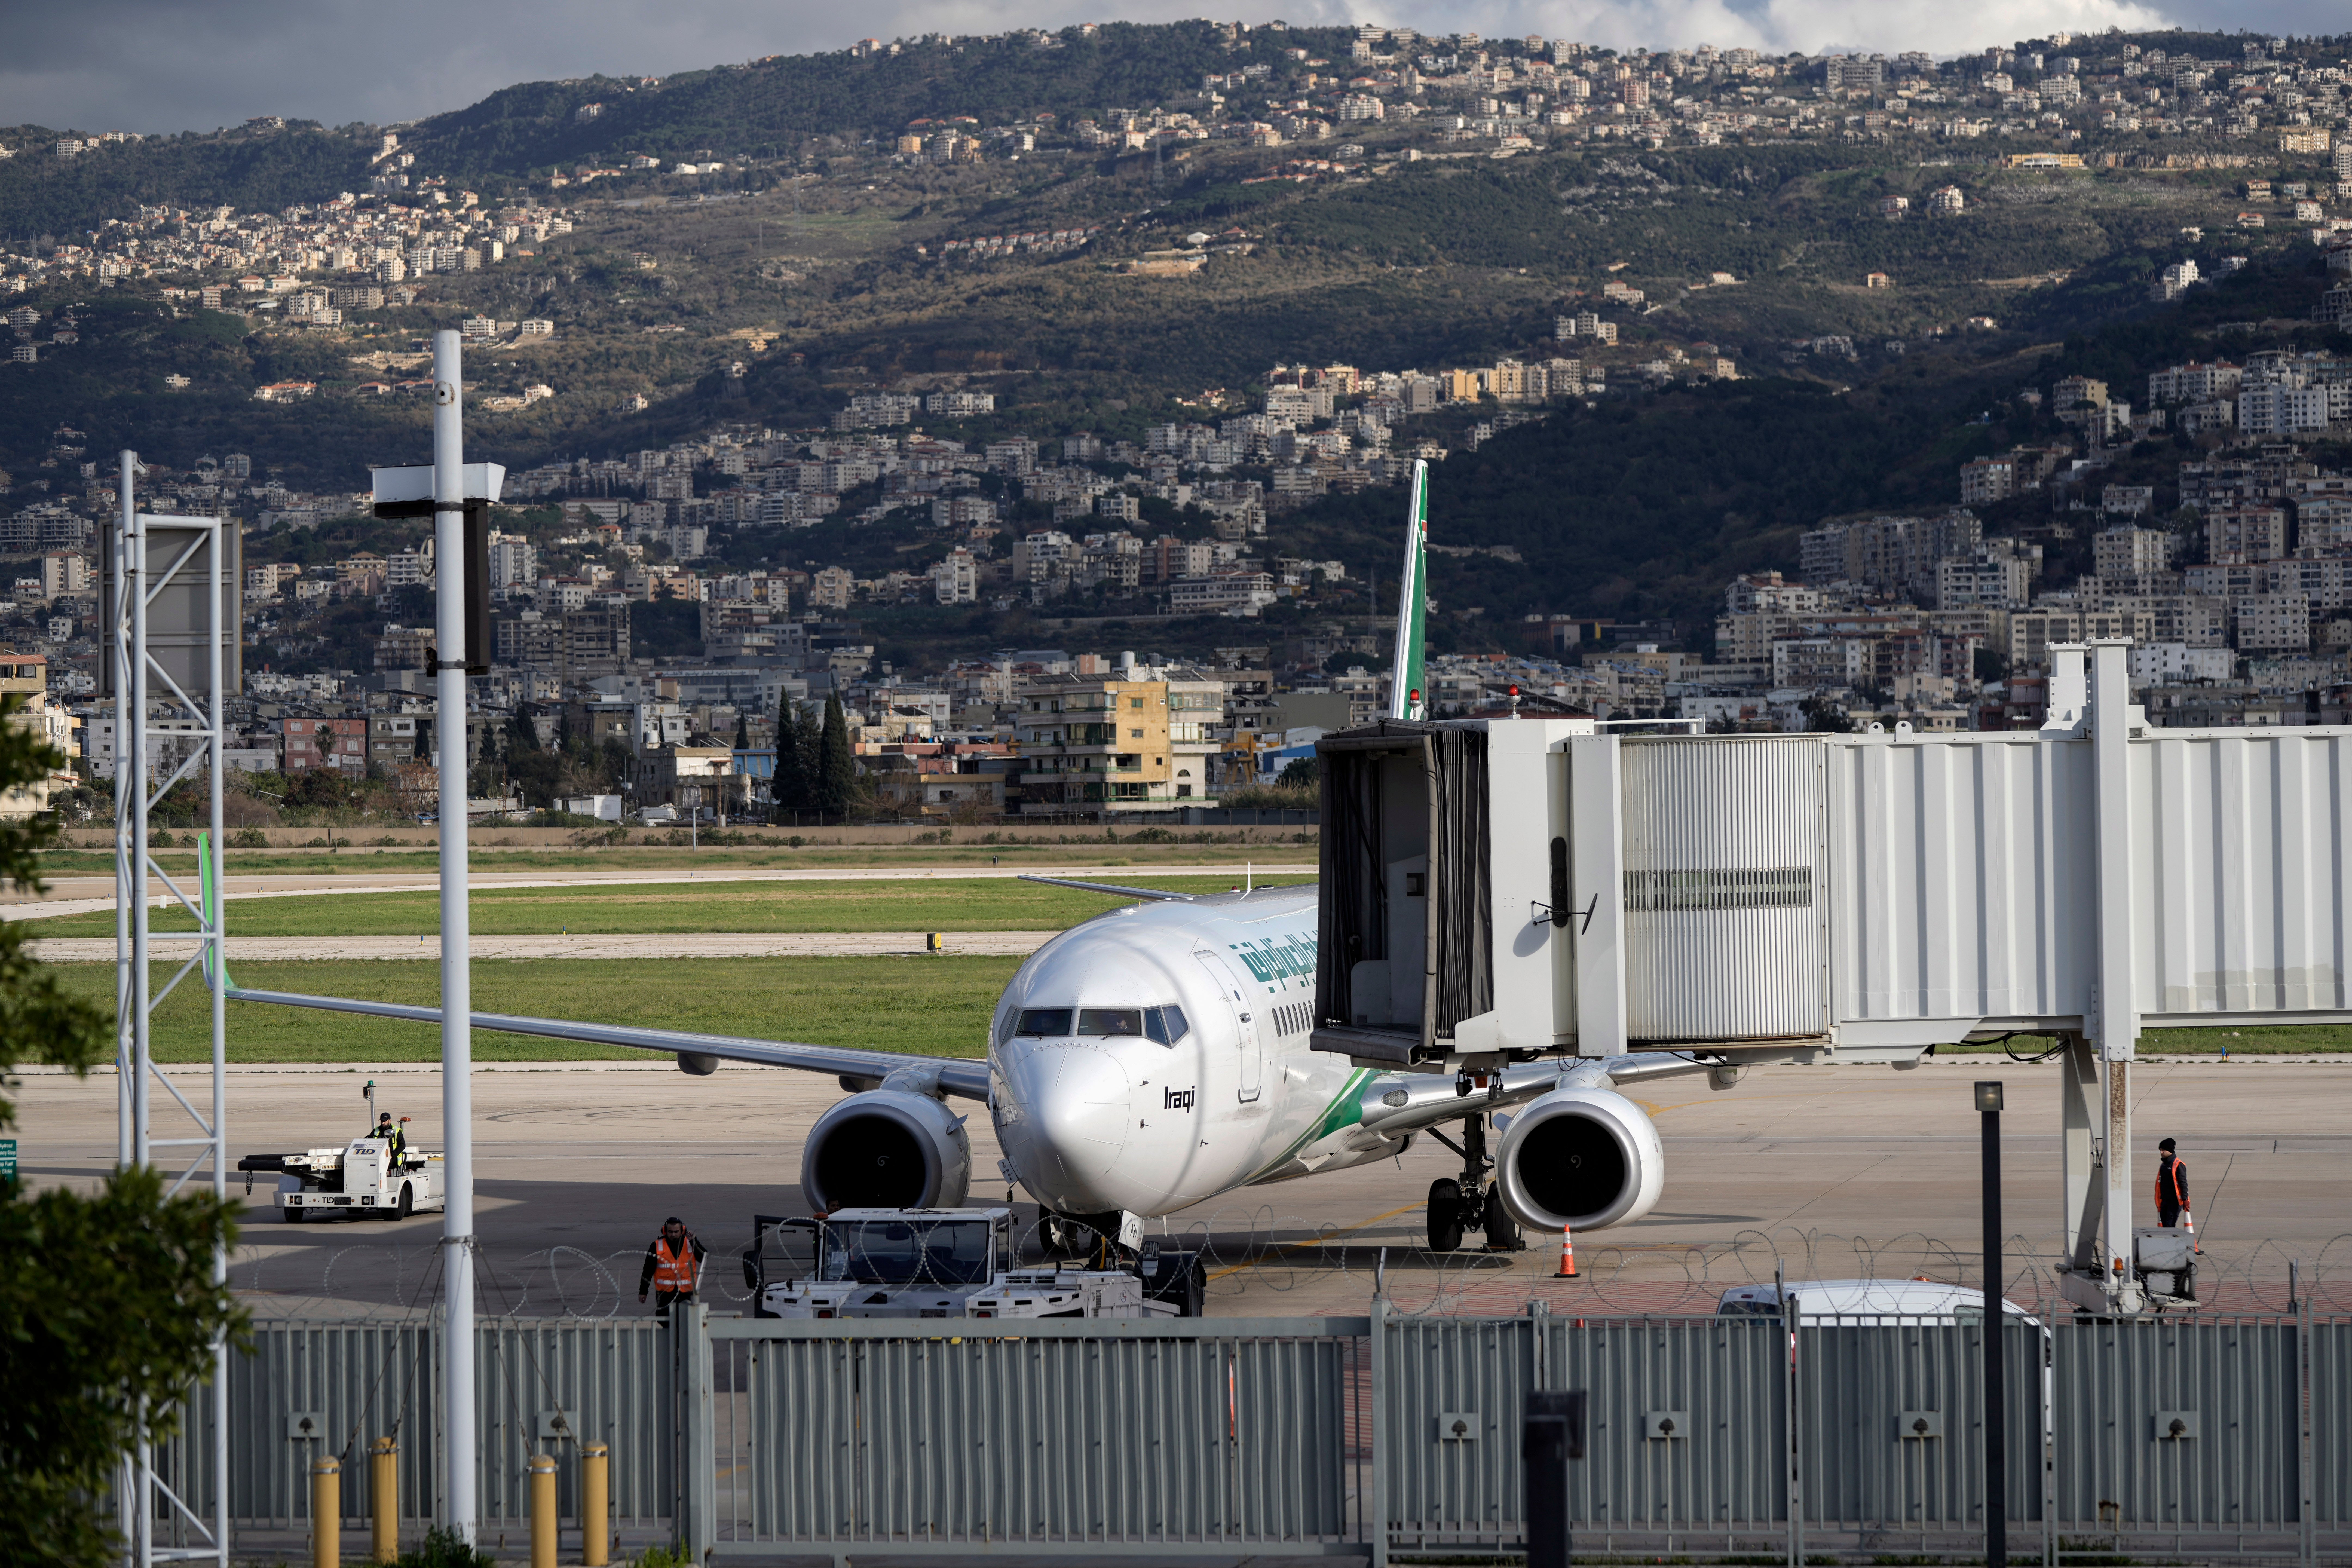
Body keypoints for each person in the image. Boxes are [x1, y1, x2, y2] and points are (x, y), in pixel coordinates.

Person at [639, 1217, 707, 1318]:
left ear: (683, 1231)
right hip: (665, 1294)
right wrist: (643, 1292)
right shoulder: (657, 1246)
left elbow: (703, 1258)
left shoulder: (690, 1244)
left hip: (687, 1293)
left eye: (676, 1232)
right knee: (665, 1322)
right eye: (670, 1232)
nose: (673, 1235)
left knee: (688, 1322)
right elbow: (648, 1271)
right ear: (665, 1231)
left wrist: (694, 1241)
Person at [2154, 1137, 2190, 1229]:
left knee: (2170, 1226)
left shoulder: (2178, 1164)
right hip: (2165, 1201)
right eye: (2161, 1150)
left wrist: (2185, 1200)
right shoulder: (2164, 1165)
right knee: (2165, 1226)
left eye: (2163, 1150)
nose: (2161, 1152)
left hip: (2175, 1202)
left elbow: (2183, 1183)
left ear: (2170, 1151)